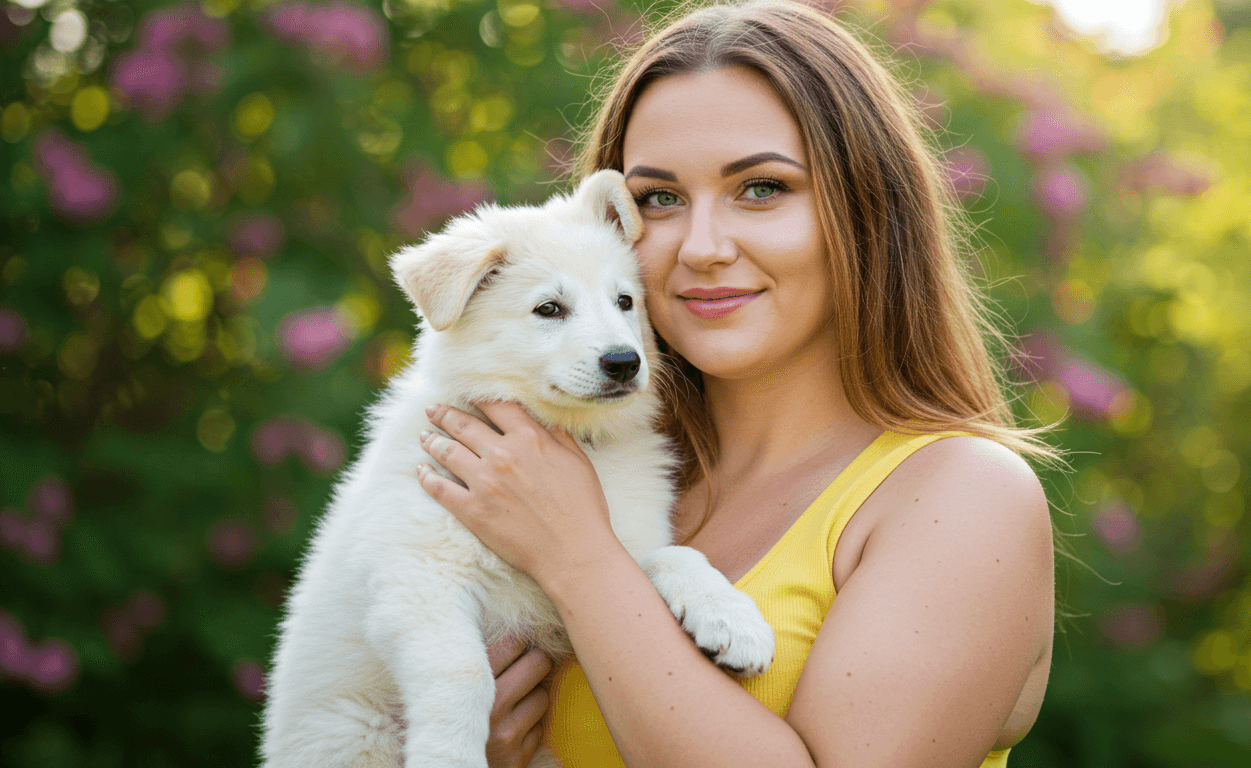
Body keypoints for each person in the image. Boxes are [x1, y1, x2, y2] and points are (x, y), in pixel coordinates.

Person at [414, 1, 1058, 765]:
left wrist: (582, 560)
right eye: (660, 200)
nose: (703, 247)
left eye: (761, 189)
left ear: (867, 211)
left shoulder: (961, 497)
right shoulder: (566, 472)